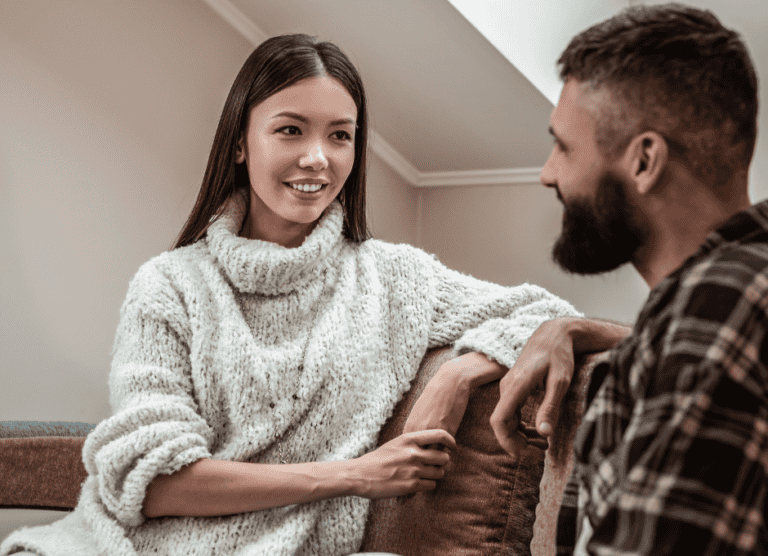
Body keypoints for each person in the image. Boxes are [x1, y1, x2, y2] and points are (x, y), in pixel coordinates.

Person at [0, 34, 580, 556]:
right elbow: (152, 483)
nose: (317, 158)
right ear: (240, 144)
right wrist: (356, 474)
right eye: (290, 129)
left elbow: (548, 315)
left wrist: (459, 374)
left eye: (340, 136)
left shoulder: (396, 280)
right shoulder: (171, 285)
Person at [484, 3, 765, 554]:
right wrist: (588, 329)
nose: (549, 173)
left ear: (643, 162)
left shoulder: (723, 304)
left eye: (564, 146)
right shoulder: (713, 305)